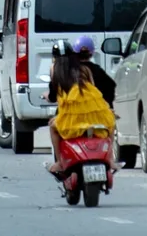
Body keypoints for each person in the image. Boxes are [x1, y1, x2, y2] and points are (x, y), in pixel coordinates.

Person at [44, 41, 120, 174]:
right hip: (94, 112)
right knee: (109, 124)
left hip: (70, 116)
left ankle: (60, 162)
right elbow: (94, 90)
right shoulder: (84, 68)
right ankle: (110, 159)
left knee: (53, 127)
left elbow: (54, 94)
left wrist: (47, 96)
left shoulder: (54, 70)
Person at [71, 35, 116, 109]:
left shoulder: (69, 71)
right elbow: (111, 86)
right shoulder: (97, 71)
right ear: (91, 53)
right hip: (96, 112)